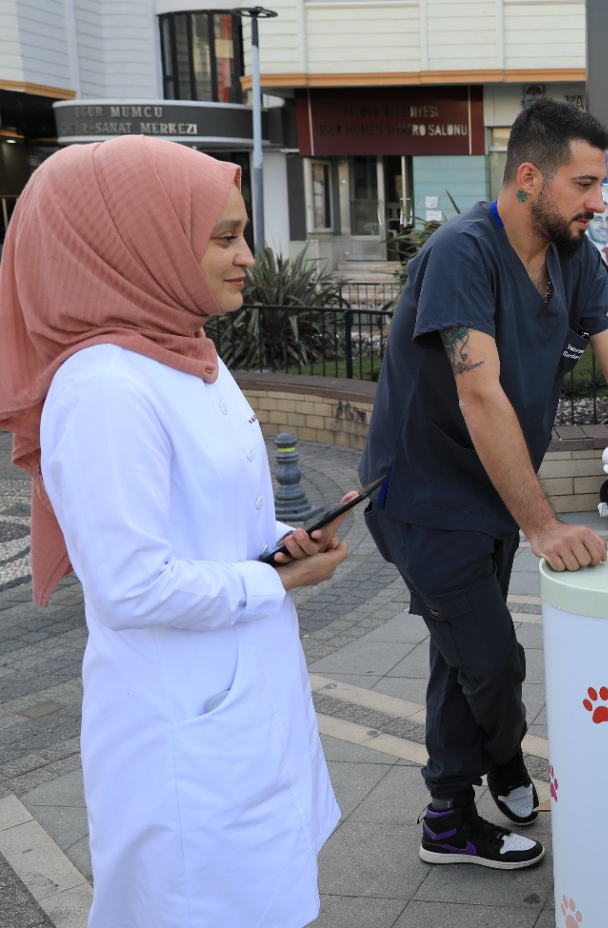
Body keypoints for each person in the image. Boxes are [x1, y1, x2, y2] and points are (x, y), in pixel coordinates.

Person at [0, 136, 353, 926]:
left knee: (264, 895)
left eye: (243, 233)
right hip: (182, 732)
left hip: (247, 698)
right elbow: (129, 586)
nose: (247, 257)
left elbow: (215, 515)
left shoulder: (189, 355)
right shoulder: (105, 390)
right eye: (224, 236)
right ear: (140, 243)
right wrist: (276, 579)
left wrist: (283, 540)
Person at [359, 99, 608, 870]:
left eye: (601, 184)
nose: (599, 202)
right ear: (530, 177)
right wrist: (543, 526)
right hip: (424, 496)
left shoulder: (573, 257)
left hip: (492, 493)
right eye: (585, 184)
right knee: (493, 659)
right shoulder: (461, 253)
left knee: (461, 654)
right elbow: (479, 392)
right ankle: (478, 788)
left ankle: (465, 795)